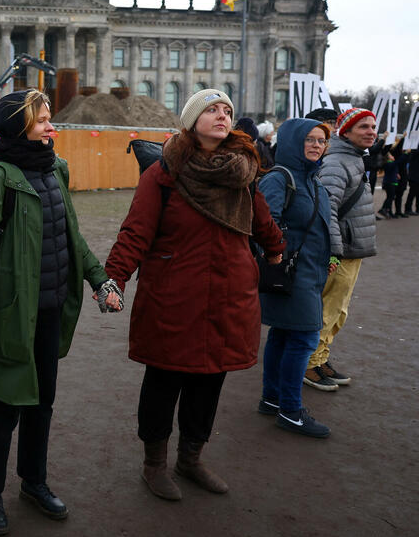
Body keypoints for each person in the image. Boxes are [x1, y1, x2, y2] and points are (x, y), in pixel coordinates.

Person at [0, 89, 123, 535]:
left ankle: (33, 482)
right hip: (11, 314)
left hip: (51, 308)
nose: (51, 126)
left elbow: (71, 237)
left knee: (42, 402)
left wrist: (100, 280)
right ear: (20, 126)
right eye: (43, 120)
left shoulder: (54, 170)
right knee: (4, 405)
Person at [104, 88, 285, 501]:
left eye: (227, 110)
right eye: (211, 109)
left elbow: (262, 221)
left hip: (229, 296)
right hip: (174, 296)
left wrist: (276, 249)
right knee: (164, 380)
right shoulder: (163, 172)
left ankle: (191, 459)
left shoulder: (244, 171)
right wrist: (114, 278)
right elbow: (136, 231)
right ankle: (154, 464)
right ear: (191, 120)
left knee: (209, 381)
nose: (222, 115)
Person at [258, 118, 333, 438]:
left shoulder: (312, 178)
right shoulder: (279, 178)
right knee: (304, 337)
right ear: (292, 142)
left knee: (284, 334)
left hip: (310, 270)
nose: (317, 145)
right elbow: (264, 224)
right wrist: (279, 254)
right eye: (310, 139)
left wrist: (328, 256)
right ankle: (290, 410)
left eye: (322, 140)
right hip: (291, 272)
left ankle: (272, 399)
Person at [305, 107, 378, 390]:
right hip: (342, 250)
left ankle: (320, 357)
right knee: (328, 309)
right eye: (364, 127)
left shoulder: (352, 158)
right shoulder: (338, 162)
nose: (371, 132)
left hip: (351, 248)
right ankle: (310, 363)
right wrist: (334, 249)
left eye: (373, 127)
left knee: (338, 311)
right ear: (345, 131)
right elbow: (327, 209)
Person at [406, 147, 419, 215]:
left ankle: (417, 209)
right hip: (414, 175)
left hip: (415, 175)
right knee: (412, 193)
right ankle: (408, 209)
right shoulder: (414, 150)